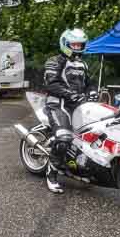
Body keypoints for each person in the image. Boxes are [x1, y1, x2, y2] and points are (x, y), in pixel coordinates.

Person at [43, 28, 93, 194]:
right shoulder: (54, 61)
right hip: (57, 104)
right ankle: (51, 173)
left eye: (80, 44)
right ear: (65, 43)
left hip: (78, 105)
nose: (77, 47)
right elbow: (51, 84)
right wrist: (72, 94)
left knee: (91, 134)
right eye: (74, 44)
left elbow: (89, 84)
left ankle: (80, 167)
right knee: (64, 138)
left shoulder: (83, 64)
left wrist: (92, 92)